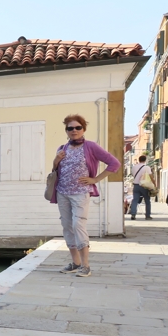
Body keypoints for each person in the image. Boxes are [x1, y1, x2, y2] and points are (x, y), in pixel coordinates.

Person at [50, 114, 121, 278]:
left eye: (77, 127)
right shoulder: (62, 148)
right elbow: (54, 170)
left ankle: (86, 266)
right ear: (66, 130)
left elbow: (114, 163)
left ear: (83, 129)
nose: (74, 131)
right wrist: (56, 159)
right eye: (70, 128)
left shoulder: (91, 146)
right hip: (62, 192)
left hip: (81, 193)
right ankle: (75, 263)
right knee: (67, 226)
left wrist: (95, 179)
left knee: (78, 225)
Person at [129, 155, 154, 220]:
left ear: (139, 160)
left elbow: (133, 174)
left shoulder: (134, 167)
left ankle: (133, 214)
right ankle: (147, 215)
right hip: (144, 186)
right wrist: (154, 184)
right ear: (145, 160)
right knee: (147, 200)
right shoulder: (147, 167)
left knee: (135, 200)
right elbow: (150, 176)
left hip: (136, 185)